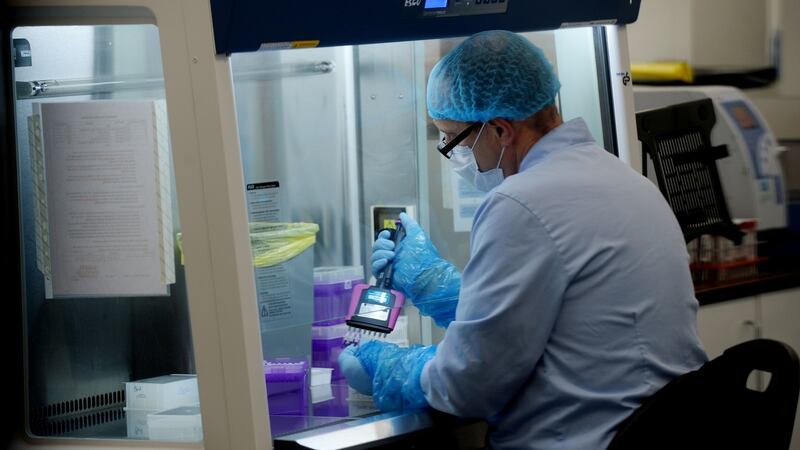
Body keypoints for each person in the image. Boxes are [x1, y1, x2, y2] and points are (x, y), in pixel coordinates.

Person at [339, 30, 708, 449]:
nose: (453, 154)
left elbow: (469, 385)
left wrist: (388, 367)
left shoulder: (519, 202)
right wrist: (435, 286)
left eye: (453, 140)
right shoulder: (624, 179)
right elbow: (556, 318)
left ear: (500, 130)